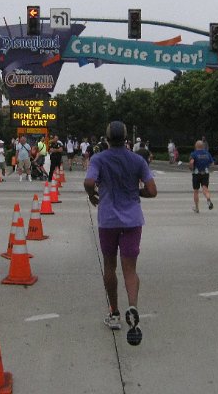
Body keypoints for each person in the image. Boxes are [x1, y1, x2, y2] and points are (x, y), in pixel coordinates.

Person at [85, 121, 157, 347]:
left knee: (109, 266)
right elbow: (152, 190)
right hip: (133, 220)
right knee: (130, 269)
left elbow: (88, 181)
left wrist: (93, 194)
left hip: (108, 220)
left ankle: (114, 313)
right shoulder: (137, 160)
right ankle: (133, 306)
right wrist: (135, 191)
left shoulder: (99, 159)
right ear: (126, 138)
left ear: (106, 138)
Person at [189, 140, 215, 212]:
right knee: (205, 188)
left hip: (196, 174)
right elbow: (212, 163)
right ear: (203, 146)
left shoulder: (194, 154)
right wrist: (207, 166)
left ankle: (197, 208)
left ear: (196, 146)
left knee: (196, 191)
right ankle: (208, 200)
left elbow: (191, 162)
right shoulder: (207, 153)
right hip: (205, 173)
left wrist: (191, 167)